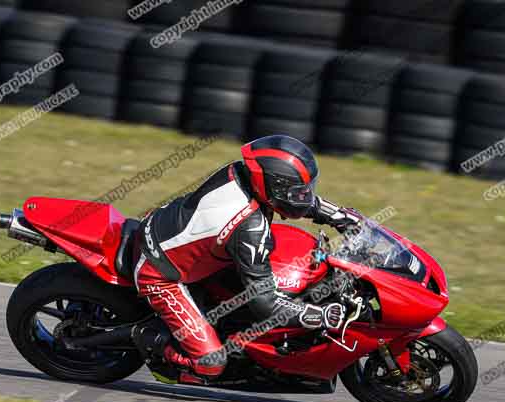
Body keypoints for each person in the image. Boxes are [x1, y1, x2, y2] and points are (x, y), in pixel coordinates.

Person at [131, 135, 359, 384]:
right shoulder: (249, 227)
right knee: (211, 364)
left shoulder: (241, 172)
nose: (303, 196)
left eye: (306, 190)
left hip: (178, 235)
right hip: (160, 273)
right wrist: (319, 315)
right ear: (271, 186)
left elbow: (289, 199)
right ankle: (151, 338)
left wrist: (337, 215)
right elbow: (266, 304)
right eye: (297, 192)